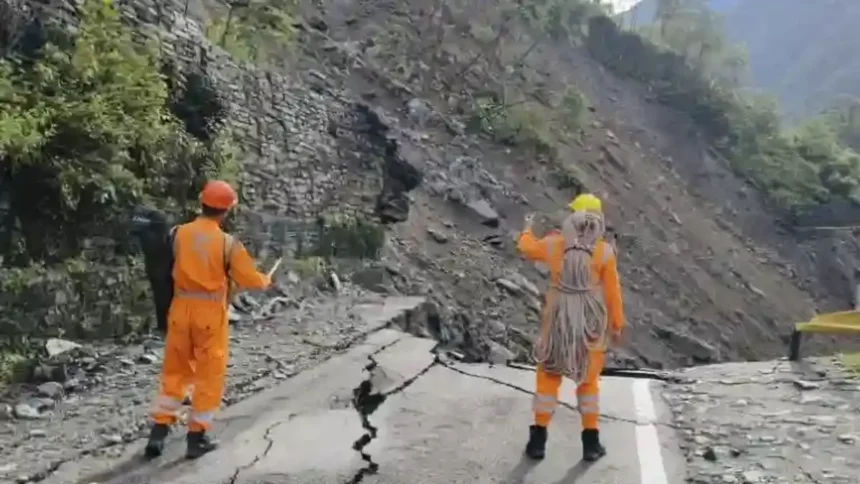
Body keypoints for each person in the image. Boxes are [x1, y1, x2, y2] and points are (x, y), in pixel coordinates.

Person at [144, 180, 273, 460]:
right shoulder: (228, 244)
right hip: (210, 315)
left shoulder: (178, 233)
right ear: (226, 211)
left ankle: (159, 432)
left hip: (179, 310)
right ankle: (196, 437)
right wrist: (265, 279)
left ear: (201, 203)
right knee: (208, 376)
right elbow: (249, 279)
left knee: (175, 372)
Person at [516, 193, 624, 462]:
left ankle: (537, 442)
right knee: (588, 384)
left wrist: (527, 229)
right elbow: (613, 293)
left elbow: (527, 248)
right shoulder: (604, 252)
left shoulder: (554, 244)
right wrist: (617, 325)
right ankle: (591, 444)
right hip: (589, 329)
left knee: (548, 378)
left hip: (557, 325)